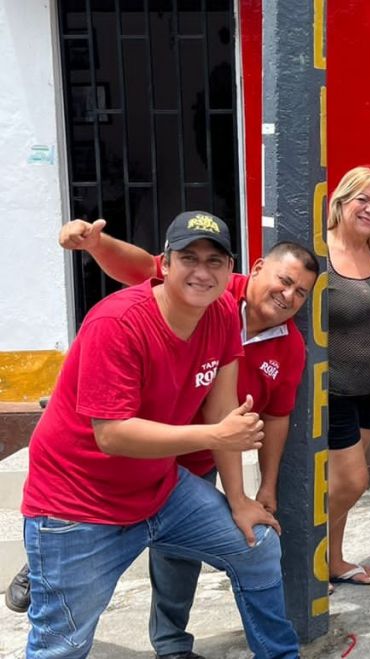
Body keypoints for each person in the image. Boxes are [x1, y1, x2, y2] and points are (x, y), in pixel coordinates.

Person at [21, 211, 300, 657]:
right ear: (165, 265)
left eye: (215, 261)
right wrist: (216, 435)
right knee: (61, 645)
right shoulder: (117, 323)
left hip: (159, 489)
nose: (202, 271)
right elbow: (112, 435)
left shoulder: (224, 312)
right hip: (77, 506)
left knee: (258, 546)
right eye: (189, 258)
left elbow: (221, 406)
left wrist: (240, 499)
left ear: (231, 270)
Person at [325, 166, 370, 586]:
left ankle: (332, 559)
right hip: (332, 390)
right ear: (340, 203)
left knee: (341, 487)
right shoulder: (320, 253)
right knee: (352, 481)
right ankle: (297, 551)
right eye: (362, 200)